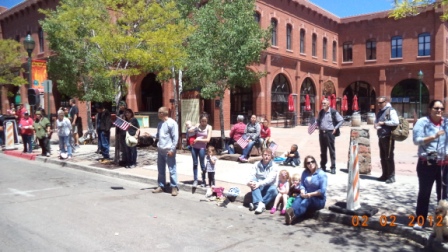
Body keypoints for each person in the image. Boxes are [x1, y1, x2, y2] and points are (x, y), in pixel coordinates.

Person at [412, 99, 448, 230]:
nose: (439, 111)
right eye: (436, 108)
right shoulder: (423, 122)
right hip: (427, 162)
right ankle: (420, 220)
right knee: (424, 193)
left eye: (441, 109)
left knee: (444, 195)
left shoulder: (447, 123)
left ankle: (441, 223)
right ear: (430, 109)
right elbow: (416, 141)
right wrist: (434, 136)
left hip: (444, 164)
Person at [285, 155, 327, 225]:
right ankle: (290, 211)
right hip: (307, 195)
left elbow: (322, 190)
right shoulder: (305, 173)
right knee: (298, 198)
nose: (310, 164)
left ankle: (294, 216)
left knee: (307, 201)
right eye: (308, 163)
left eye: (312, 162)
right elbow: (302, 185)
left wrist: (310, 194)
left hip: (319, 199)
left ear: (315, 162)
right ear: (306, 165)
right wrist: (302, 191)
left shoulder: (321, 174)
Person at [152, 107, 179, 196]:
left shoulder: (172, 123)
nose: (158, 114)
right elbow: (158, 135)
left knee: (172, 169)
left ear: (163, 113)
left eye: (159, 112)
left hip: (169, 150)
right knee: (160, 169)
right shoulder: (160, 124)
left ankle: (174, 187)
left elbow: (175, 138)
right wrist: (149, 135)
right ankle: (161, 186)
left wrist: (172, 150)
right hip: (160, 150)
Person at [374, 96, 399, 183]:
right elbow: (376, 121)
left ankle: (391, 176)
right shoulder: (379, 112)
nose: (379, 104)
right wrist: (376, 125)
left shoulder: (390, 110)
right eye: (378, 103)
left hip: (388, 137)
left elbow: (396, 122)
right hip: (381, 136)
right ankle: (384, 175)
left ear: (385, 102)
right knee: (383, 157)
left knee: (389, 156)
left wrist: (384, 123)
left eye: (380, 103)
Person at [247, 149, 278, 214]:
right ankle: (260, 205)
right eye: (265, 155)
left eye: (268, 155)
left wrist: (259, 183)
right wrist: (249, 182)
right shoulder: (256, 164)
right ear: (262, 155)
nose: (267, 157)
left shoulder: (274, 166)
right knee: (253, 181)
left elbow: (270, 179)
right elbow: (251, 174)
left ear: (271, 156)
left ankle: (256, 205)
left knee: (274, 190)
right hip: (258, 187)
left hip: (268, 186)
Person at [316, 98, 343, 174]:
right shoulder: (321, 112)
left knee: (331, 150)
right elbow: (318, 121)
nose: (323, 105)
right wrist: (317, 125)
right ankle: (323, 166)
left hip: (330, 133)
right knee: (323, 151)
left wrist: (336, 128)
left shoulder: (333, 112)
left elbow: (341, 120)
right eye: (322, 103)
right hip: (322, 133)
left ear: (328, 104)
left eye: (325, 103)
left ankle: (333, 167)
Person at [188, 114, 212, 187]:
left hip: (202, 147)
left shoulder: (209, 127)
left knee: (202, 164)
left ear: (207, 120)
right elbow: (190, 131)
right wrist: (191, 129)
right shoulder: (197, 125)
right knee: (195, 164)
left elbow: (208, 139)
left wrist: (199, 139)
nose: (203, 122)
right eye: (202, 121)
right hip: (194, 147)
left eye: (205, 121)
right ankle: (195, 180)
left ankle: (203, 180)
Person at [117, 101, 128, 165]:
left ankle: (127, 160)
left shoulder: (127, 112)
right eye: (120, 106)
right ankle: (123, 159)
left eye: (122, 105)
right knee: (122, 147)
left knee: (126, 147)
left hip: (126, 132)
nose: (120, 107)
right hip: (120, 131)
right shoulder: (119, 113)